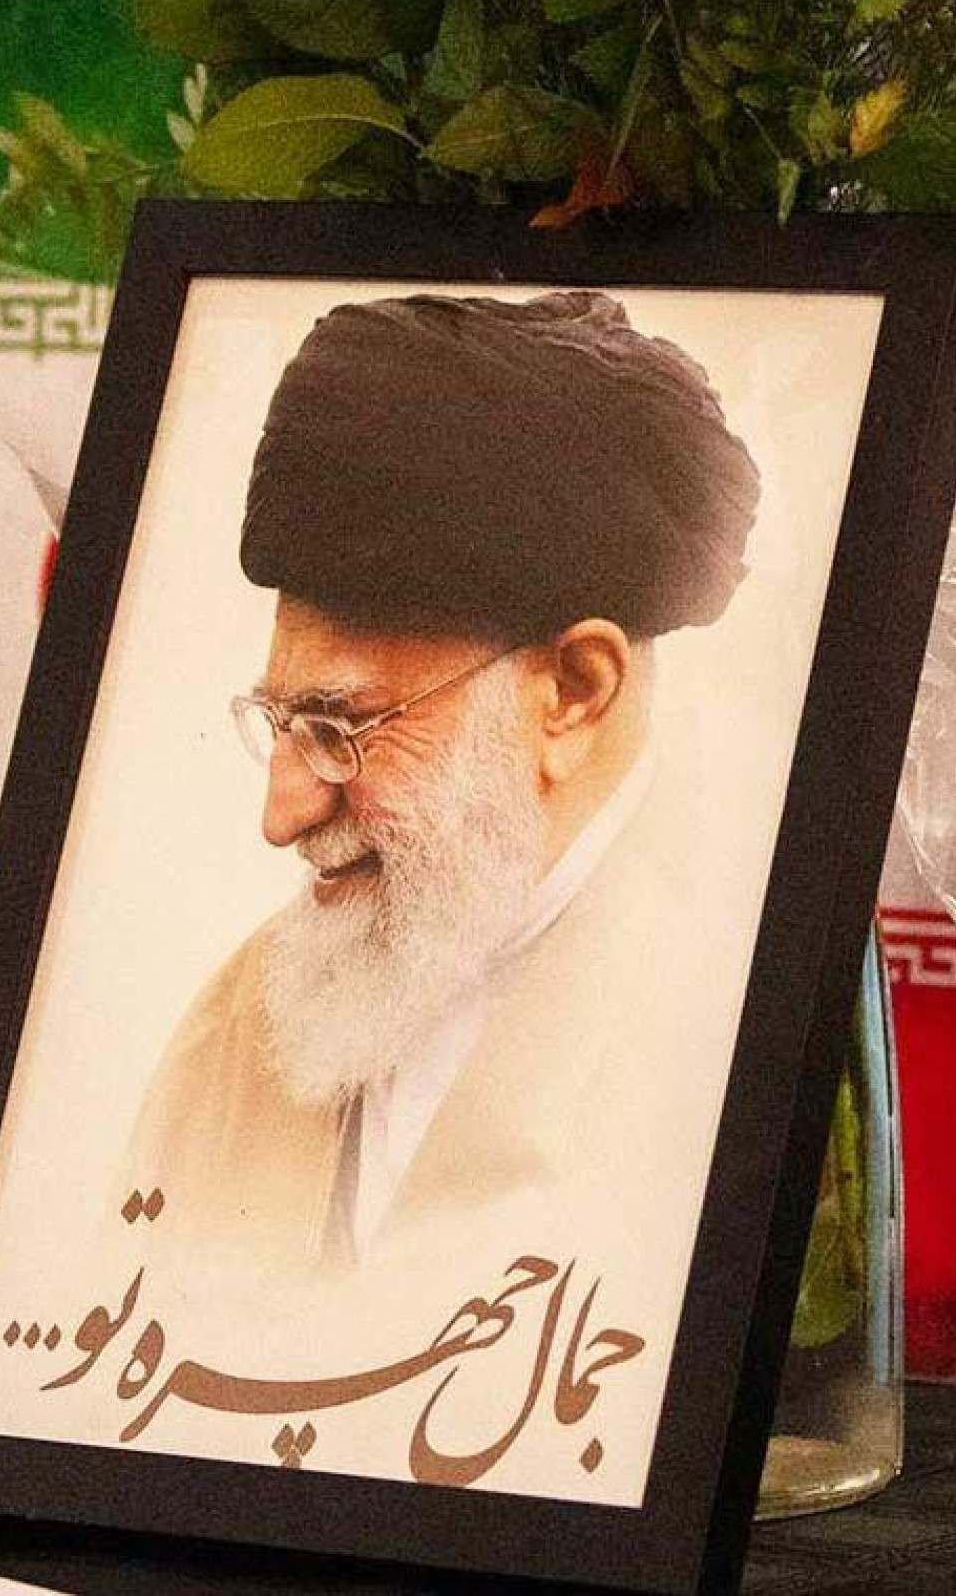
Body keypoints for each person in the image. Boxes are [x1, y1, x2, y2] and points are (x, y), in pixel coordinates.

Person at [125, 289, 762, 1271]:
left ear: (574, 690)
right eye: (283, 724)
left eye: (341, 728)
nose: (280, 815)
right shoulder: (244, 1029)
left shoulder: (730, 1025)